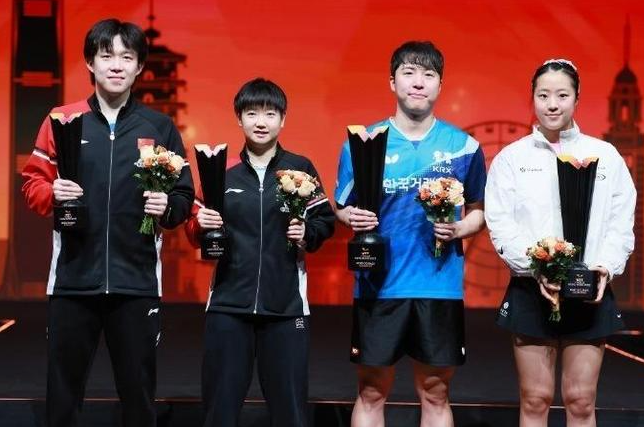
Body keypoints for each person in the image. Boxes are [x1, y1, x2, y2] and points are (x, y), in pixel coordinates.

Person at [21, 18, 194, 427]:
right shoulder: (62, 119)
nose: (116, 65)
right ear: (90, 63)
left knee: (138, 399)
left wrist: (167, 207)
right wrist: (52, 192)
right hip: (72, 282)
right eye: (106, 56)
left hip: (136, 284)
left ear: (139, 67)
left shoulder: (159, 127)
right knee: (63, 399)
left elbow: (184, 196)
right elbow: (32, 185)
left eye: (126, 57)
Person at [334, 41, 487, 427]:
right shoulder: (362, 143)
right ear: (392, 82)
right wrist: (350, 216)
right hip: (378, 286)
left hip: (439, 286)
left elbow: (479, 211)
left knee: (435, 392)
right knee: (371, 391)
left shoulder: (463, 147)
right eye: (409, 73)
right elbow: (341, 206)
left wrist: (458, 228)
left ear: (440, 85)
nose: (418, 82)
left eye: (428, 75)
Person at [485, 59, 635, 427]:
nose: (552, 104)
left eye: (562, 95)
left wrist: (605, 267)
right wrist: (537, 266)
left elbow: (620, 223)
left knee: (581, 401)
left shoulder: (606, 156)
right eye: (543, 95)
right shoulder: (512, 158)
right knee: (535, 399)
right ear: (533, 98)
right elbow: (500, 224)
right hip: (531, 288)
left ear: (577, 98)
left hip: (589, 290)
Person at [185, 78, 335, 427]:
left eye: (270, 113)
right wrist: (200, 224)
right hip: (228, 306)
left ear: (283, 119)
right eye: (252, 113)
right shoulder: (221, 170)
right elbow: (193, 232)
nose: (261, 122)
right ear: (239, 118)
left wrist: (307, 233)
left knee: (291, 413)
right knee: (219, 411)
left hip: (286, 308)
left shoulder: (300, 168)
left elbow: (324, 221)